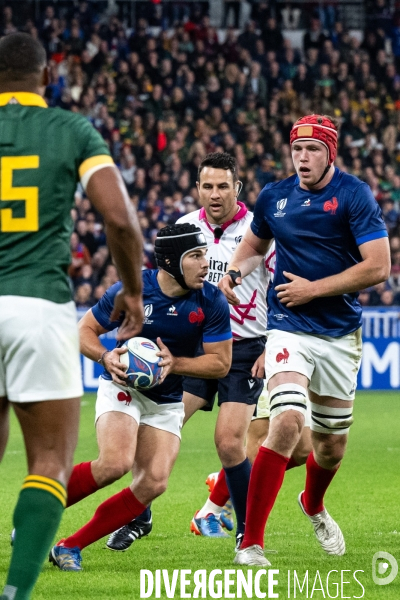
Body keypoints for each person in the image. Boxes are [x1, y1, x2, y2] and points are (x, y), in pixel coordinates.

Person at [107, 152, 311, 552]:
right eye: (207, 186)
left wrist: (273, 345)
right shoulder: (184, 228)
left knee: (230, 442)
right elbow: (160, 285)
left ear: (237, 188)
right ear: (197, 188)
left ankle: (244, 532)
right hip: (192, 346)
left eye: (223, 186)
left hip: (244, 349)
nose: (215, 194)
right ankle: (140, 514)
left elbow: (282, 289)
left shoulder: (259, 229)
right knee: (154, 429)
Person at [0, 33, 143, 600]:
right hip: (39, 307)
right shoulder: (71, 130)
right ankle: (16, 592)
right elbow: (121, 220)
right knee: (51, 461)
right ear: (46, 75)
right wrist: (132, 292)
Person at [219, 114, 390, 566]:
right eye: (297, 149)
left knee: (330, 448)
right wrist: (235, 269)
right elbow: (255, 246)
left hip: (339, 335)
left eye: (313, 150)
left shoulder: (354, 195)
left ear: (331, 152)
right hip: (288, 329)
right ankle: (250, 543)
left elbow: (378, 266)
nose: (303, 158)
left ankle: (312, 504)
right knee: (289, 420)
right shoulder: (274, 197)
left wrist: (314, 289)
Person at [49, 223, 232, 571]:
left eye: (205, 253)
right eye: (196, 256)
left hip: (166, 398)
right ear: (170, 261)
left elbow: (221, 363)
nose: (206, 263)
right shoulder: (132, 291)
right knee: (115, 463)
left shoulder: (211, 299)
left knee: (154, 481)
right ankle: (37, 516)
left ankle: (68, 546)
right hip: (123, 387)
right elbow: (84, 330)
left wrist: (176, 363)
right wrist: (105, 356)